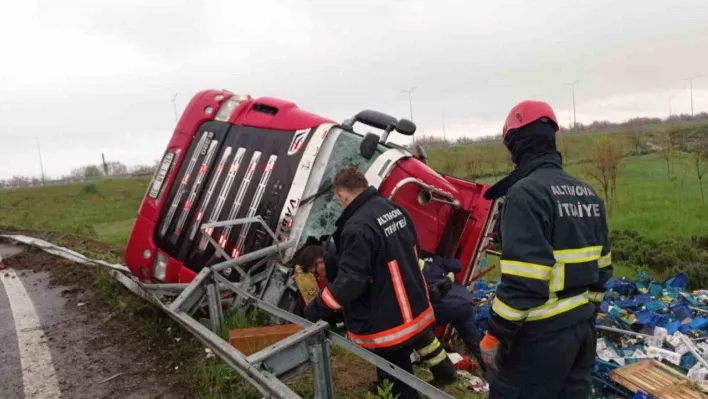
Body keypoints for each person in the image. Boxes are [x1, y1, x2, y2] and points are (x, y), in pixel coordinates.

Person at [480, 100, 613, 399]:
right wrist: (586, 313)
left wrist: (495, 333)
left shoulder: (524, 194)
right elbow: (603, 268)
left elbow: (524, 281)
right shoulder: (589, 194)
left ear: (515, 144)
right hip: (581, 331)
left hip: (540, 336)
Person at [304, 166, 457, 399]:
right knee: (420, 339)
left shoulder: (356, 227)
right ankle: (445, 371)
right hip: (413, 301)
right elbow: (410, 251)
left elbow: (351, 282)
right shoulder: (394, 208)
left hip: (389, 319)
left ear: (341, 195)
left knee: (395, 375)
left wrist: (316, 309)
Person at [418, 253, 485, 371]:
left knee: (420, 329)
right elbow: (457, 265)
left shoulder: (411, 268)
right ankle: (494, 374)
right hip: (464, 302)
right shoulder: (436, 260)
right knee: (477, 345)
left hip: (443, 305)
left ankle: (431, 364)